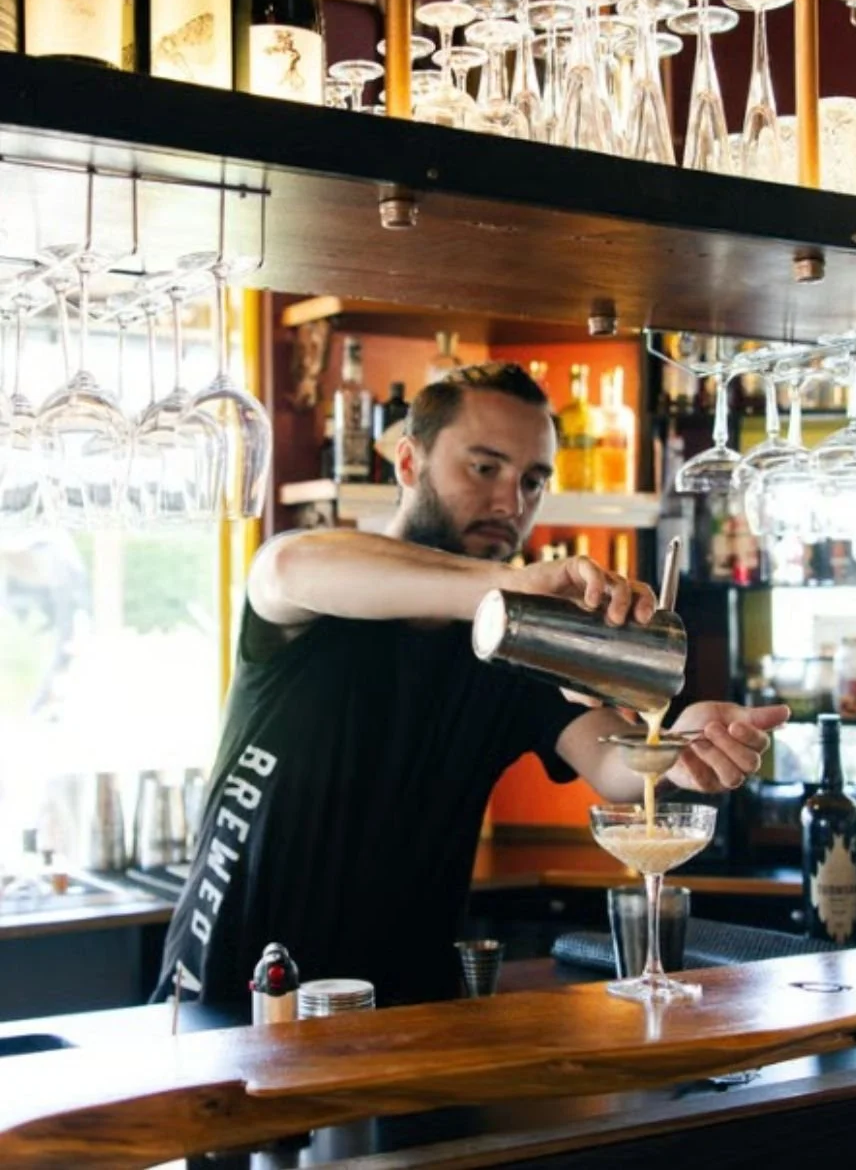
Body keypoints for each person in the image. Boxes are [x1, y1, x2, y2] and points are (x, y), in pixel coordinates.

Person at [154, 363, 787, 1008]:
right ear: (408, 463)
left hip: (404, 1018)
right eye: (484, 468)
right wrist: (510, 586)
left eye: (533, 480)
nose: (511, 504)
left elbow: (613, 763)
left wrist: (680, 745)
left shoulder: (517, 653)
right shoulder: (323, 594)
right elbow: (285, 566)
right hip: (234, 995)